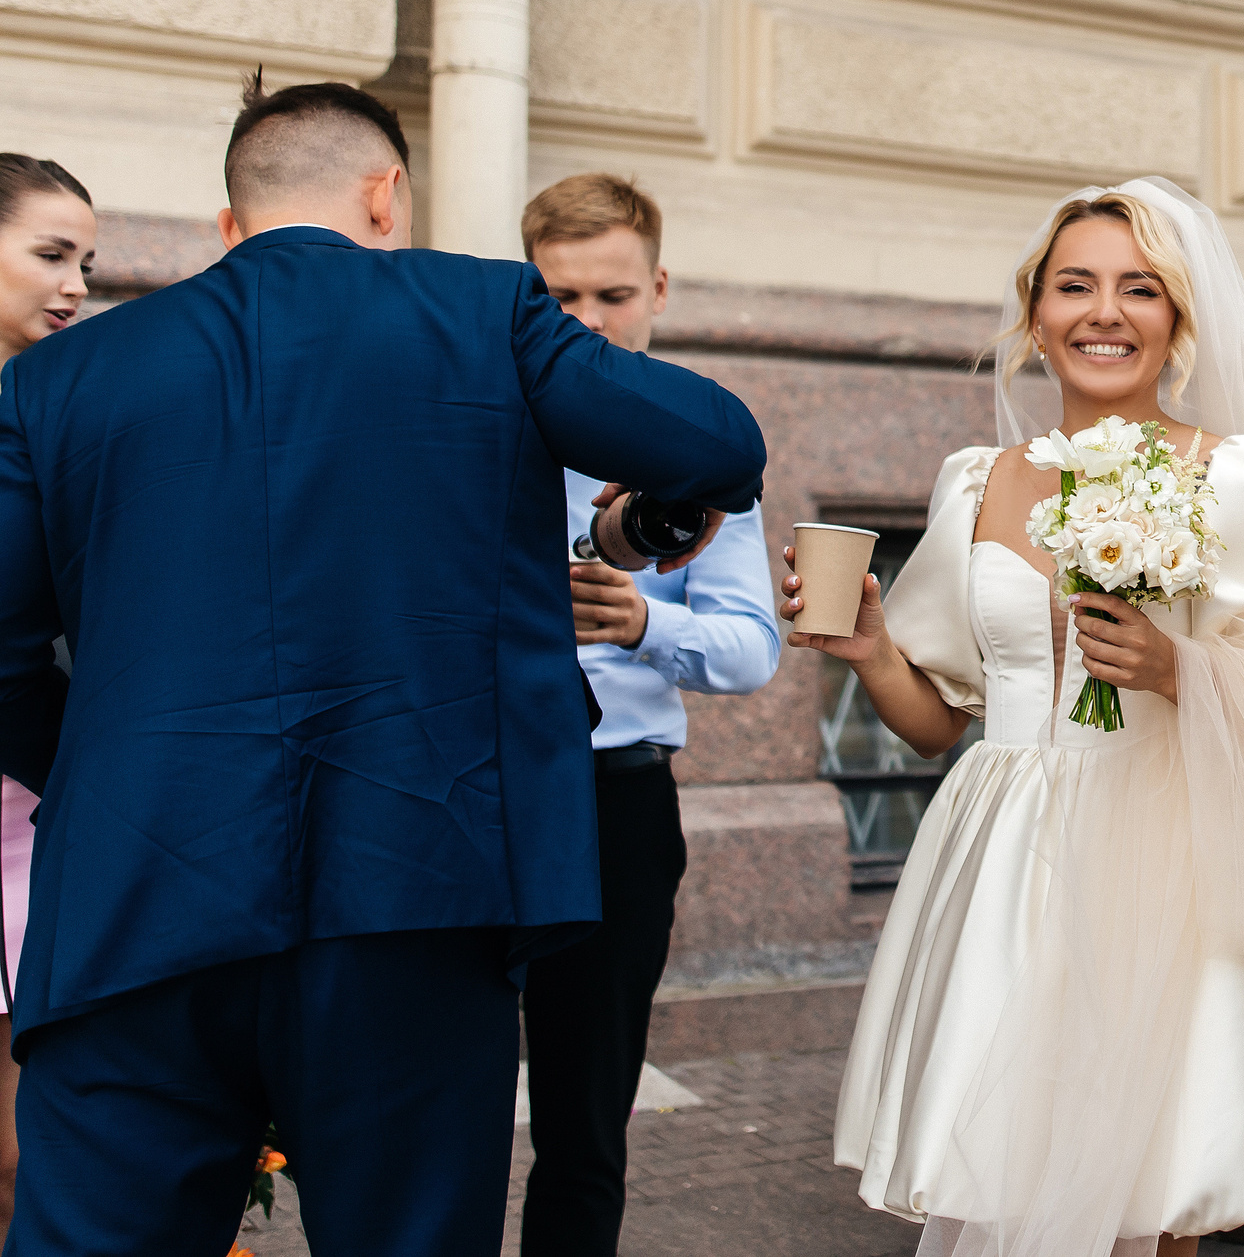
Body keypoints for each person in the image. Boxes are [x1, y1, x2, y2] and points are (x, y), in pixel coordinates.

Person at [0, 79, 766, 1257]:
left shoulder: (56, 377)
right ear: (385, 194)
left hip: (138, 895)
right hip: (419, 888)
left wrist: (120, 781)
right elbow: (718, 441)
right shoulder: (484, 310)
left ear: (233, 220)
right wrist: (648, 512)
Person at [795, 178, 1244, 1256]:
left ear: (1178, 322)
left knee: (1155, 1185)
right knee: (1005, 1168)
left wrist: (1177, 671)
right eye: (1075, 286)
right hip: (1002, 864)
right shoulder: (975, 483)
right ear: (1035, 314)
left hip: (1166, 860)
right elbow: (936, 726)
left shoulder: (1235, 477)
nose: (1105, 312)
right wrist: (873, 650)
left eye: (1140, 288)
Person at [519, 173, 782, 1257]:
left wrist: (643, 624)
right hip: (473, 789)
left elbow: (752, 648)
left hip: (614, 803)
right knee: (441, 1092)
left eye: (613, 296)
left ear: (659, 291)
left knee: (586, 1117)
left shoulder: (697, 446)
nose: (588, 323)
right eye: (562, 298)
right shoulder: (480, 423)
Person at [0, 156, 93, 1242]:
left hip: (40, 817)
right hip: (36, 782)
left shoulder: (65, 409)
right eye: (52, 254)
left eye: (88, 264)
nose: (75, 284)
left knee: (30, 1148)